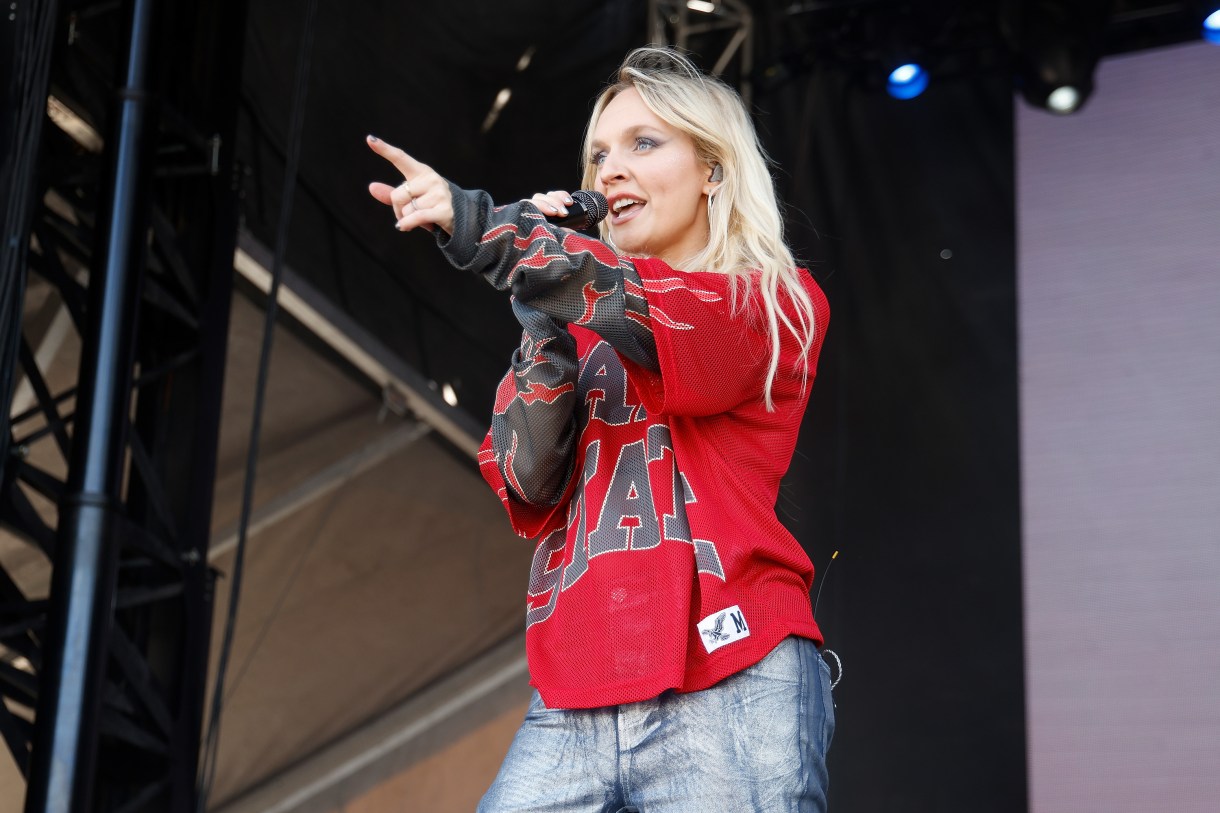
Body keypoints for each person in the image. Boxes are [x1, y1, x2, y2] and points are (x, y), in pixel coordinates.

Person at [367, 46, 834, 813]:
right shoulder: (585, 318)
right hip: (577, 689)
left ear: (713, 170)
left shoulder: (774, 302)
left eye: (644, 144)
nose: (609, 169)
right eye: (600, 153)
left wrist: (487, 229)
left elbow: (630, 302)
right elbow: (525, 476)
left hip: (731, 669)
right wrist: (540, 317)